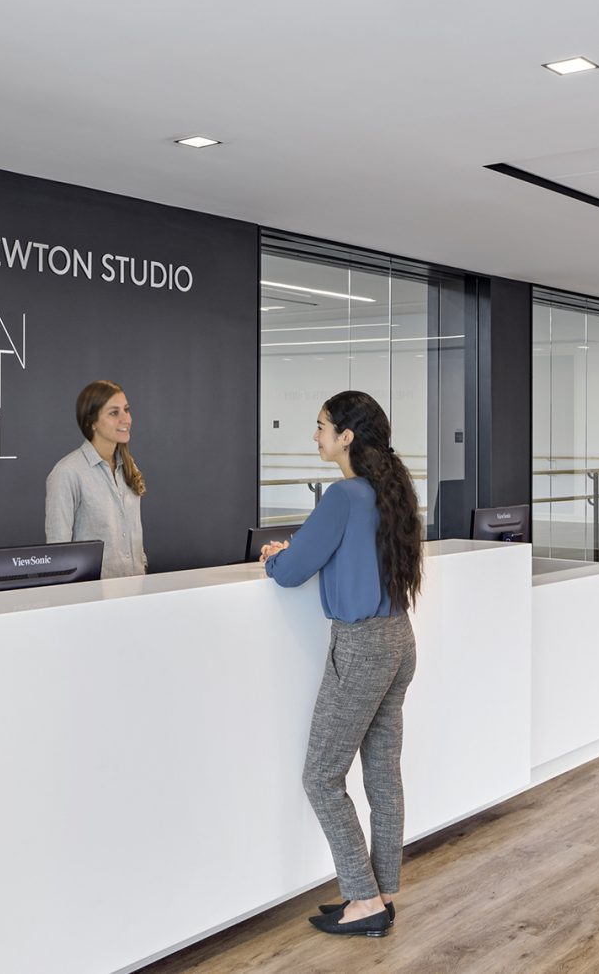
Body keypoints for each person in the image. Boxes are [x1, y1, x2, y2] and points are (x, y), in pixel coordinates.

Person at [261, 391, 423, 939]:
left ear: (346, 436)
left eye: (322, 426)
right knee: (382, 774)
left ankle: (362, 898)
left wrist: (274, 558)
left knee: (321, 777)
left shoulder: (343, 495)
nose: (316, 436)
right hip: (400, 640)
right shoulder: (389, 488)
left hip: (362, 649)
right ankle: (383, 890)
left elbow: (291, 572)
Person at [44, 380, 147, 578]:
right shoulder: (67, 472)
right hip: (91, 600)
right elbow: (57, 553)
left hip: (135, 594)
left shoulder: (129, 466)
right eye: (114, 413)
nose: (126, 419)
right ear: (92, 422)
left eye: (126, 410)